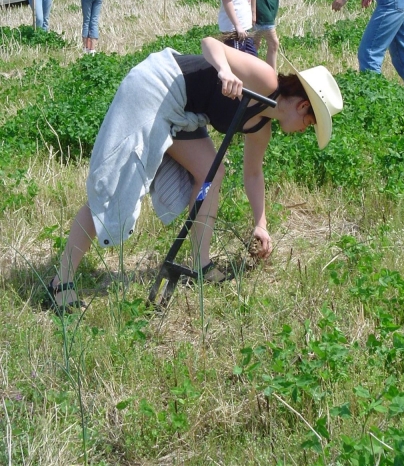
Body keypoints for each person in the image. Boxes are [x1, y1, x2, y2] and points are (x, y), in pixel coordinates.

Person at [47, 36, 343, 310]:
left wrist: (261, 224)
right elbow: (209, 43)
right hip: (157, 85)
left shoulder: (260, 129)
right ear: (303, 106)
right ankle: (61, 283)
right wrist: (225, 70)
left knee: (211, 173)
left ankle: (200, 266)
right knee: (114, 190)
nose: (306, 130)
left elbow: (253, 174)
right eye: (310, 124)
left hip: (185, 111)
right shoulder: (265, 79)